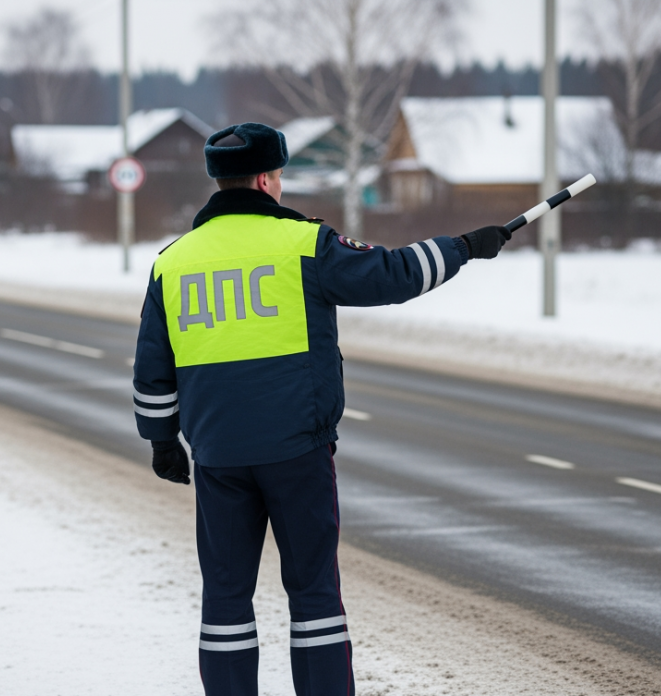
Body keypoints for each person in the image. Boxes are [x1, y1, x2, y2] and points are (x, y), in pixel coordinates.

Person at [132, 122, 511, 696]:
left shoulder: (172, 262)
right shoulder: (304, 245)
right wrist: (463, 247)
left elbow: (151, 369)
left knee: (226, 596)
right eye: (279, 175)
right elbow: (393, 275)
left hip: (217, 458)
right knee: (313, 595)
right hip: (297, 453)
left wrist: (162, 440)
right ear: (265, 178)